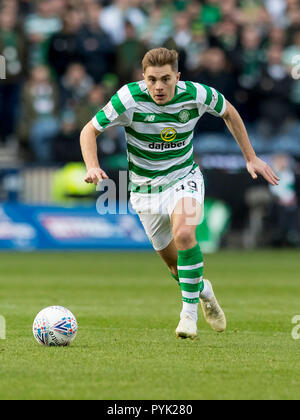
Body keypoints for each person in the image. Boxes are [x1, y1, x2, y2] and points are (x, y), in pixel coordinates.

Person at [80, 47, 279, 339]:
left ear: (178, 76)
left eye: (165, 79)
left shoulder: (198, 94)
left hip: (183, 178)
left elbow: (230, 112)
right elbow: (89, 130)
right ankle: (204, 292)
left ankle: (188, 316)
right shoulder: (128, 98)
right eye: (151, 80)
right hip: (145, 190)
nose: (158, 87)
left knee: (185, 234)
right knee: (176, 268)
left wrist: (250, 157)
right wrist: (92, 166)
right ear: (143, 78)